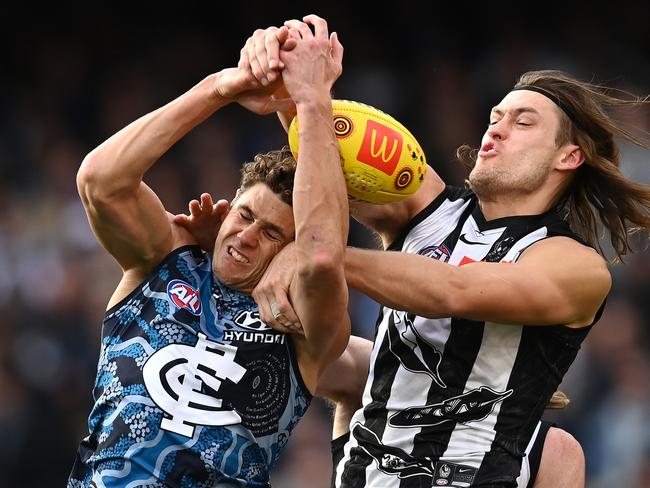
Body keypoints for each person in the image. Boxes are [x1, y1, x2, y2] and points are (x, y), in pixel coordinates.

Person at [225, 23, 650, 488]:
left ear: (568, 157)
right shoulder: (428, 204)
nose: (497, 130)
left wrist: (312, 254)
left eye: (522, 122)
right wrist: (288, 86)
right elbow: (328, 155)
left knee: (561, 450)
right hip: (363, 478)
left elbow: (453, 289)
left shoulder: (574, 265)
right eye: (496, 117)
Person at [68, 15, 351, 487]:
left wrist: (312, 99)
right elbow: (100, 182)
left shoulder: (302, 321)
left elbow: (323, 255)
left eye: (272, 235)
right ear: (227, 207)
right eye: (244, 216)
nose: (245, 237)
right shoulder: (166, 261)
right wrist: (222, 88)